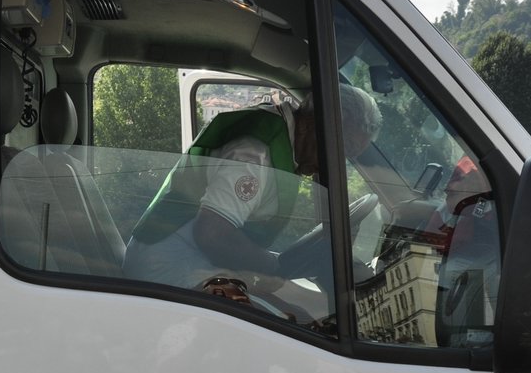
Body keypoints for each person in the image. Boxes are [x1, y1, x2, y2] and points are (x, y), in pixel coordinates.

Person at [122, 84, 381, 297]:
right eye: (340, 149)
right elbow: (212, 234)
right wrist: (272, 268)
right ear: (311, 124)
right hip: (166, 269)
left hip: (195, 261)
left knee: (292, 311)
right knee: (294, 319)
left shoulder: (288, 141)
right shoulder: (256, 154)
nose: (337, 163)